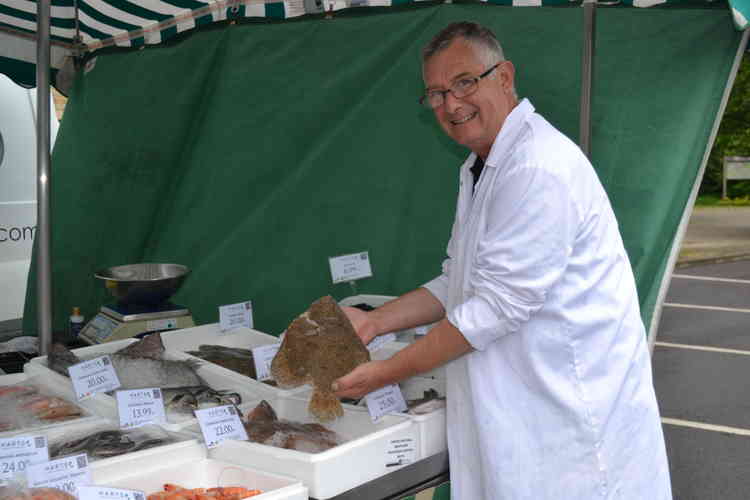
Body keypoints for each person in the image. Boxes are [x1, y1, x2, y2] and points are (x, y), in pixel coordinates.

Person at [332, 21, 672, 499]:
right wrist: (373, 323)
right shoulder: (481, 166)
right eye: (436, 93)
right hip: (524, 420)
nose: (451, 104)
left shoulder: (537, 165)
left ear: (505, 77)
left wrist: (385, 372)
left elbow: (497, 307)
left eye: (464, 82)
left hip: (569, 428)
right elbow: (462, 281)